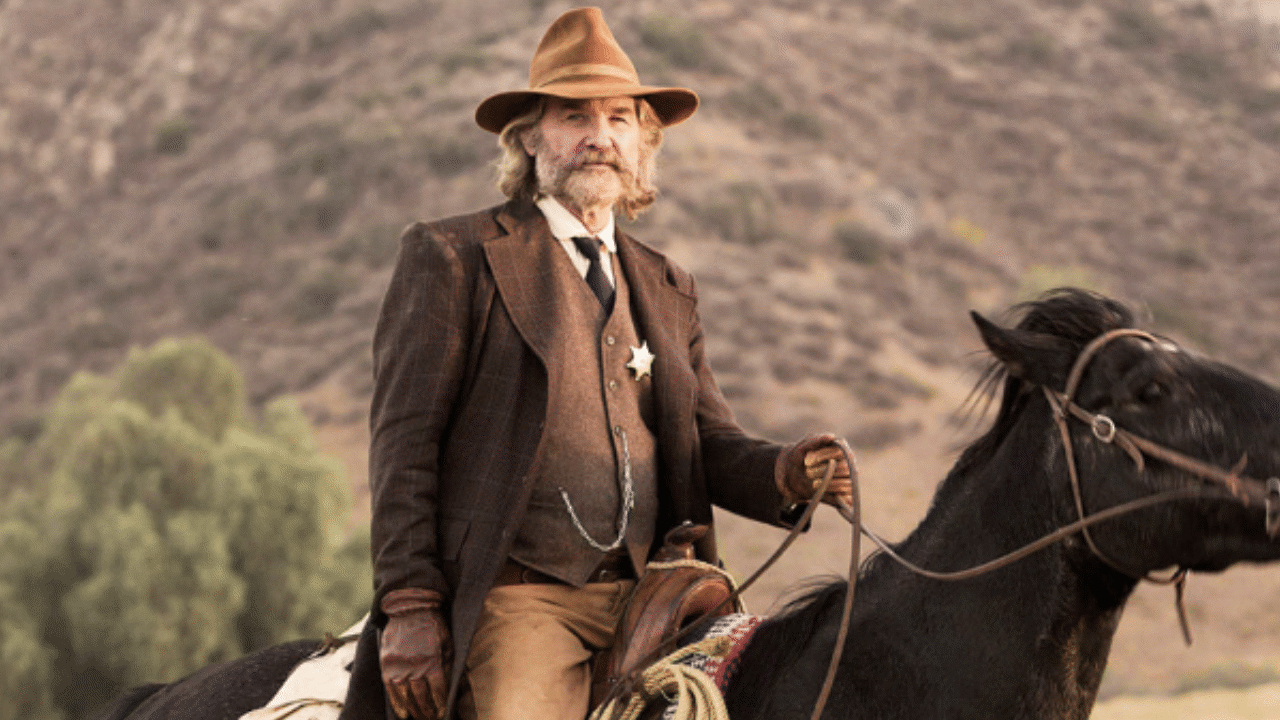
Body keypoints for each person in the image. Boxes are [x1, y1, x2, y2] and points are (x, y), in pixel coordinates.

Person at [343, 7, 854, 720]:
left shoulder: (669, 285)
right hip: (523, 602)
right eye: (574, 116)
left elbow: (707, 443)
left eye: (619, 118)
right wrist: (409, 605)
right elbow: (404, 447)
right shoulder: (454, 258)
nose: (600, 136)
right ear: (529, 136)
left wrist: (789, 474)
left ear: (643, 141)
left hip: (661, 597)